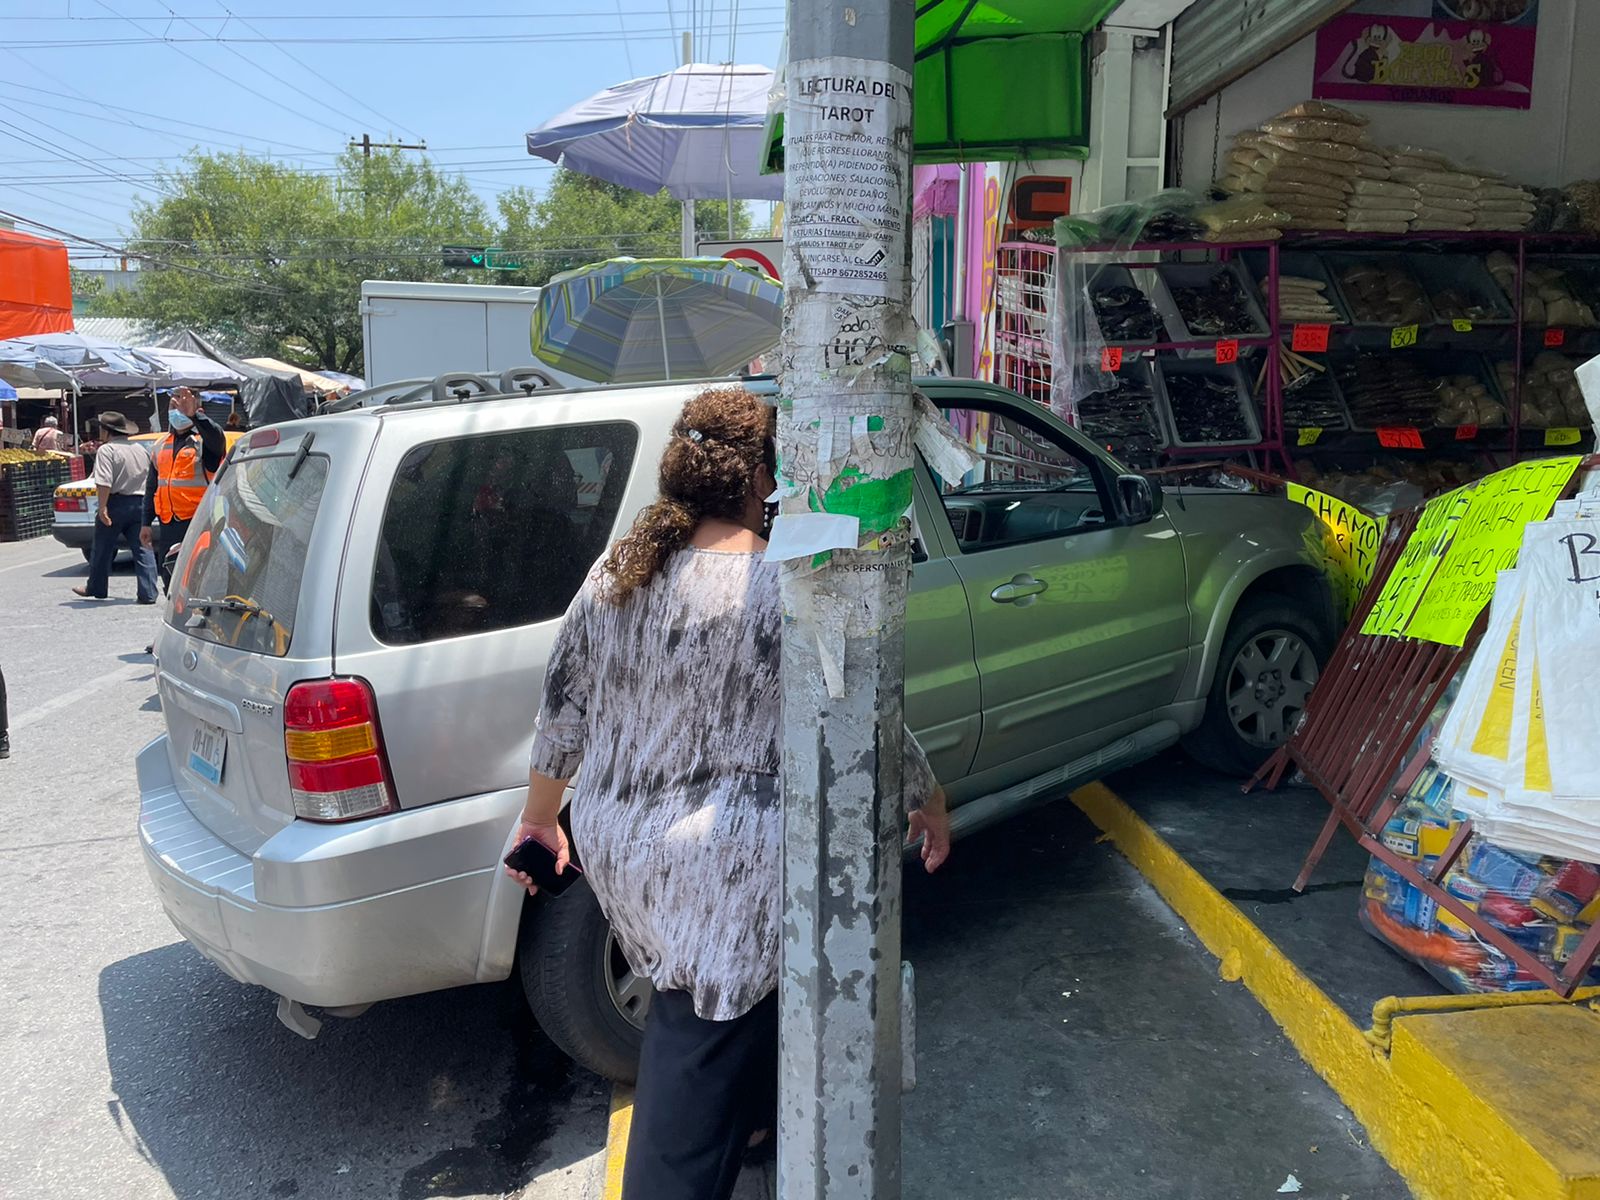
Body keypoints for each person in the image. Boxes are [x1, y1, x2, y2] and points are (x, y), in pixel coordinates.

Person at [505, 386, 951, 1200]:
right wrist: (926, 792)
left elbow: (560, 708)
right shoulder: (773, 591)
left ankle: (756, 1125)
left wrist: (539, 823)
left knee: (743, 1026)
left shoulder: (618, 571)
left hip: (622, 850)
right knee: (693, 1067)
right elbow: (853, 720)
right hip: (723, 868)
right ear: (762, 477)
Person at [142, 385, 226, 595]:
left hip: (197, 523)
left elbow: (217, 438)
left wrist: (194, 416)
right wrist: (145, 523)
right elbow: (152, 487)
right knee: (171, 581)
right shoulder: (161, 445)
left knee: (197, 583)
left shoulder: (204, 443)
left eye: (182, 405)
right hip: (168, 525)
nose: (176, 410)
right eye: (173, 406)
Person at [71, 412, 158, 604]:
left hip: (116, 503)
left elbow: (104, 482)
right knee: (143, 547)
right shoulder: (140, 448)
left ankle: (96, 588)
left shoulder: (107, 450)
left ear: (105, 431)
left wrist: (102, 507)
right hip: (140, 503)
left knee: (102, 548)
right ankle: (148, 592)